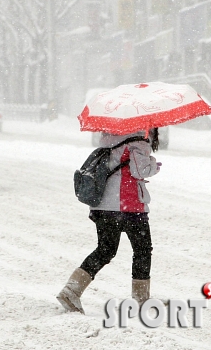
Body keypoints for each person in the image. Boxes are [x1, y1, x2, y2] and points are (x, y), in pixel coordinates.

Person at [56, 128, 161, 314]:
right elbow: (140, 170)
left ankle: (71, 290)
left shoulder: (109, 137)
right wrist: (153, 164)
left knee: (105, 250)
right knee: (143, 250)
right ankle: (141, 299)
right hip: (128, 206)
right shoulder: (138, 140)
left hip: (103, 204)